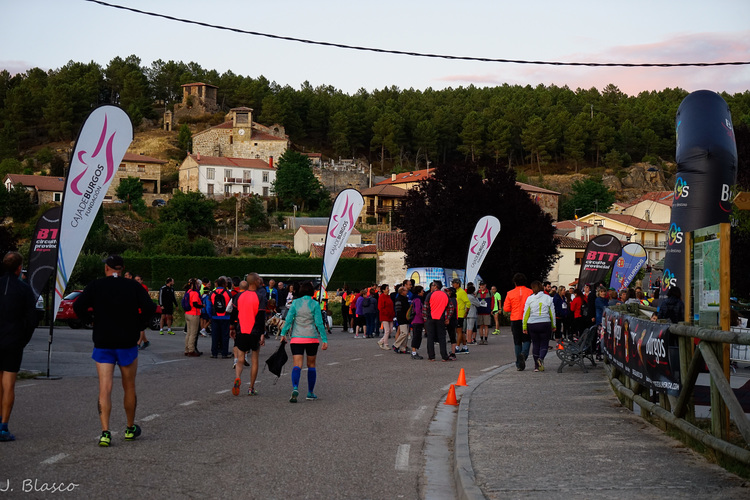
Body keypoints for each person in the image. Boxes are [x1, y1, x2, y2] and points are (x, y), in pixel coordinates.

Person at [73, 255, 156, 447]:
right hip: (127, 342)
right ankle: (129, 428)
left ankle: (105, 432)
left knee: (105, 388)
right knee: (129, 386)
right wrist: (139, 325)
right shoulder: (133, 286)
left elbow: (78, 306)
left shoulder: (96, 285)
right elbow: (150, 308)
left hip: (103, 341)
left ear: (106, 268)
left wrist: (90, 321)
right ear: (122, 269)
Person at [0, 252, 38, 442]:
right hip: (13, 341)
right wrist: (23, 340)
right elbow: (32, 320)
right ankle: (3, 426)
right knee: (8, 384)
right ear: (19, 268)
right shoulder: (24, 289)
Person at [279, 281, 328, 402]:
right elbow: (319, 323)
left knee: (297, 365)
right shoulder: (315, 304)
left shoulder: (295, 303)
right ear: (311, 291)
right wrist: (324, 339)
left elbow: (289, 320)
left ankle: (295, 387)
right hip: (311, 338)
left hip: (297, 337)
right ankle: (310, 392)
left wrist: (283, 333)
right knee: (311, 365)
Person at [230, 273, 267, 396]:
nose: (260, 281)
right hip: (254, 331)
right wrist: (262, 333)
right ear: (255, 281)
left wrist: (232, 327)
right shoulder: (260, 297)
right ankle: (251, 387)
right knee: (254, 360)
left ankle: (238, 377)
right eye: (259, 279)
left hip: (241, 330)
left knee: (240, 358)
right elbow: (261, 316)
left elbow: (234, 313)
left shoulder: (239, 296)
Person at [522, 280, 556, 372]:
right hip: (545, 323)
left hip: (532, 324)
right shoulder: (548, 298)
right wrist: (554, 325)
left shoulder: (530, 299)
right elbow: (552, 313)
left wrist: (524, 326)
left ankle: (536, 366)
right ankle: (541, 358)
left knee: (535, 344)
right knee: (544, 343)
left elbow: (526, 314)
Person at [504, 273, 533, 370]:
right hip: (527, 318)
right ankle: (524, 354)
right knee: (527, 339)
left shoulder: (510, 293)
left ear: (515, 282)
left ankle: (518, 364)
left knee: (517, 342)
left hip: (515, 318)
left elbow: (506, 308)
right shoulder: (530, 292)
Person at [424, 281, 452, 362]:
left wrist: (425, 319)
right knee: (442, 338)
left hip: (430, 318)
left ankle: (431, 356)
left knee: (430, 338)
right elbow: (450, 307)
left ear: (435, 286)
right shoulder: (445, 295)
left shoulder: (430, 295)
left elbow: (425, 307)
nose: (431, 287)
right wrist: (448, 318)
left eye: (432, 285)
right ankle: (444, 356)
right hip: (441, 318)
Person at [208, 277, 233, 359]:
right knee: (225, 336)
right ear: (224, 284)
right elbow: (231, 305)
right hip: (225, 316)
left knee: (215, 335)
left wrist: (210, 316)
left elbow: (209, 306)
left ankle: (214, 353)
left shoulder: (212, 293)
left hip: (215, 316)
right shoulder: (228, 293)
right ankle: (224, 353)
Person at [183, 279, 203, 356]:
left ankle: (187, 349)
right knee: (193, 333)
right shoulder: (195, 293)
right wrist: (202, 306)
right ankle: (191, 350)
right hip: (194, 314)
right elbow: (195, 304)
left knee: (188, 333)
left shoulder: (188, 292)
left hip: (187, 313)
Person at [452, 278, 470, 353]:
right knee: (461, 331)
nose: (453, 285)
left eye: (454, 283)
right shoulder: (456, 292)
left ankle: (457, 347)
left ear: (458, 284)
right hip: (457, 313)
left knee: (458, 331)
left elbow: (468, 303)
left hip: (460, 314)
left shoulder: (462, 292)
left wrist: (466, 312)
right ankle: (465, 347)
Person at [392, 285, 411, 353]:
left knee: (406, 334)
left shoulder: (405, 298)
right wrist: (401, 318)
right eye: (405, 291)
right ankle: (396, 345)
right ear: (402, 291)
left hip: (406, 318)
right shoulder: (399, 299)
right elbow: (398, 310)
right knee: (404, 333)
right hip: (402, 318)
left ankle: (403, 348)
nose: (407, 292)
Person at [409, 286, 425, 359]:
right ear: (418, 292)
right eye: (422, 291)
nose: (423, 292)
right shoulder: (418, 300)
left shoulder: (414, 299)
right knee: (416, 336)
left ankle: (414, 351)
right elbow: (418, 311)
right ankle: (414, 352)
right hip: (417, 320)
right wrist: (423, 316)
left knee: (417, 336)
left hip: (416, 320)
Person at [377, 284, 395, 350]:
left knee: (390, 330)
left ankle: (381, 341)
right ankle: (386, 344)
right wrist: (386, 313)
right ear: (383, 290)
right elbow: (380, 307)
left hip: (390, 315)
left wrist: (392, 313)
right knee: (387, 330)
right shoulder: (382, 297)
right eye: (387, 288)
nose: (388, 289)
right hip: (384, 315)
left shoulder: (388, 297)